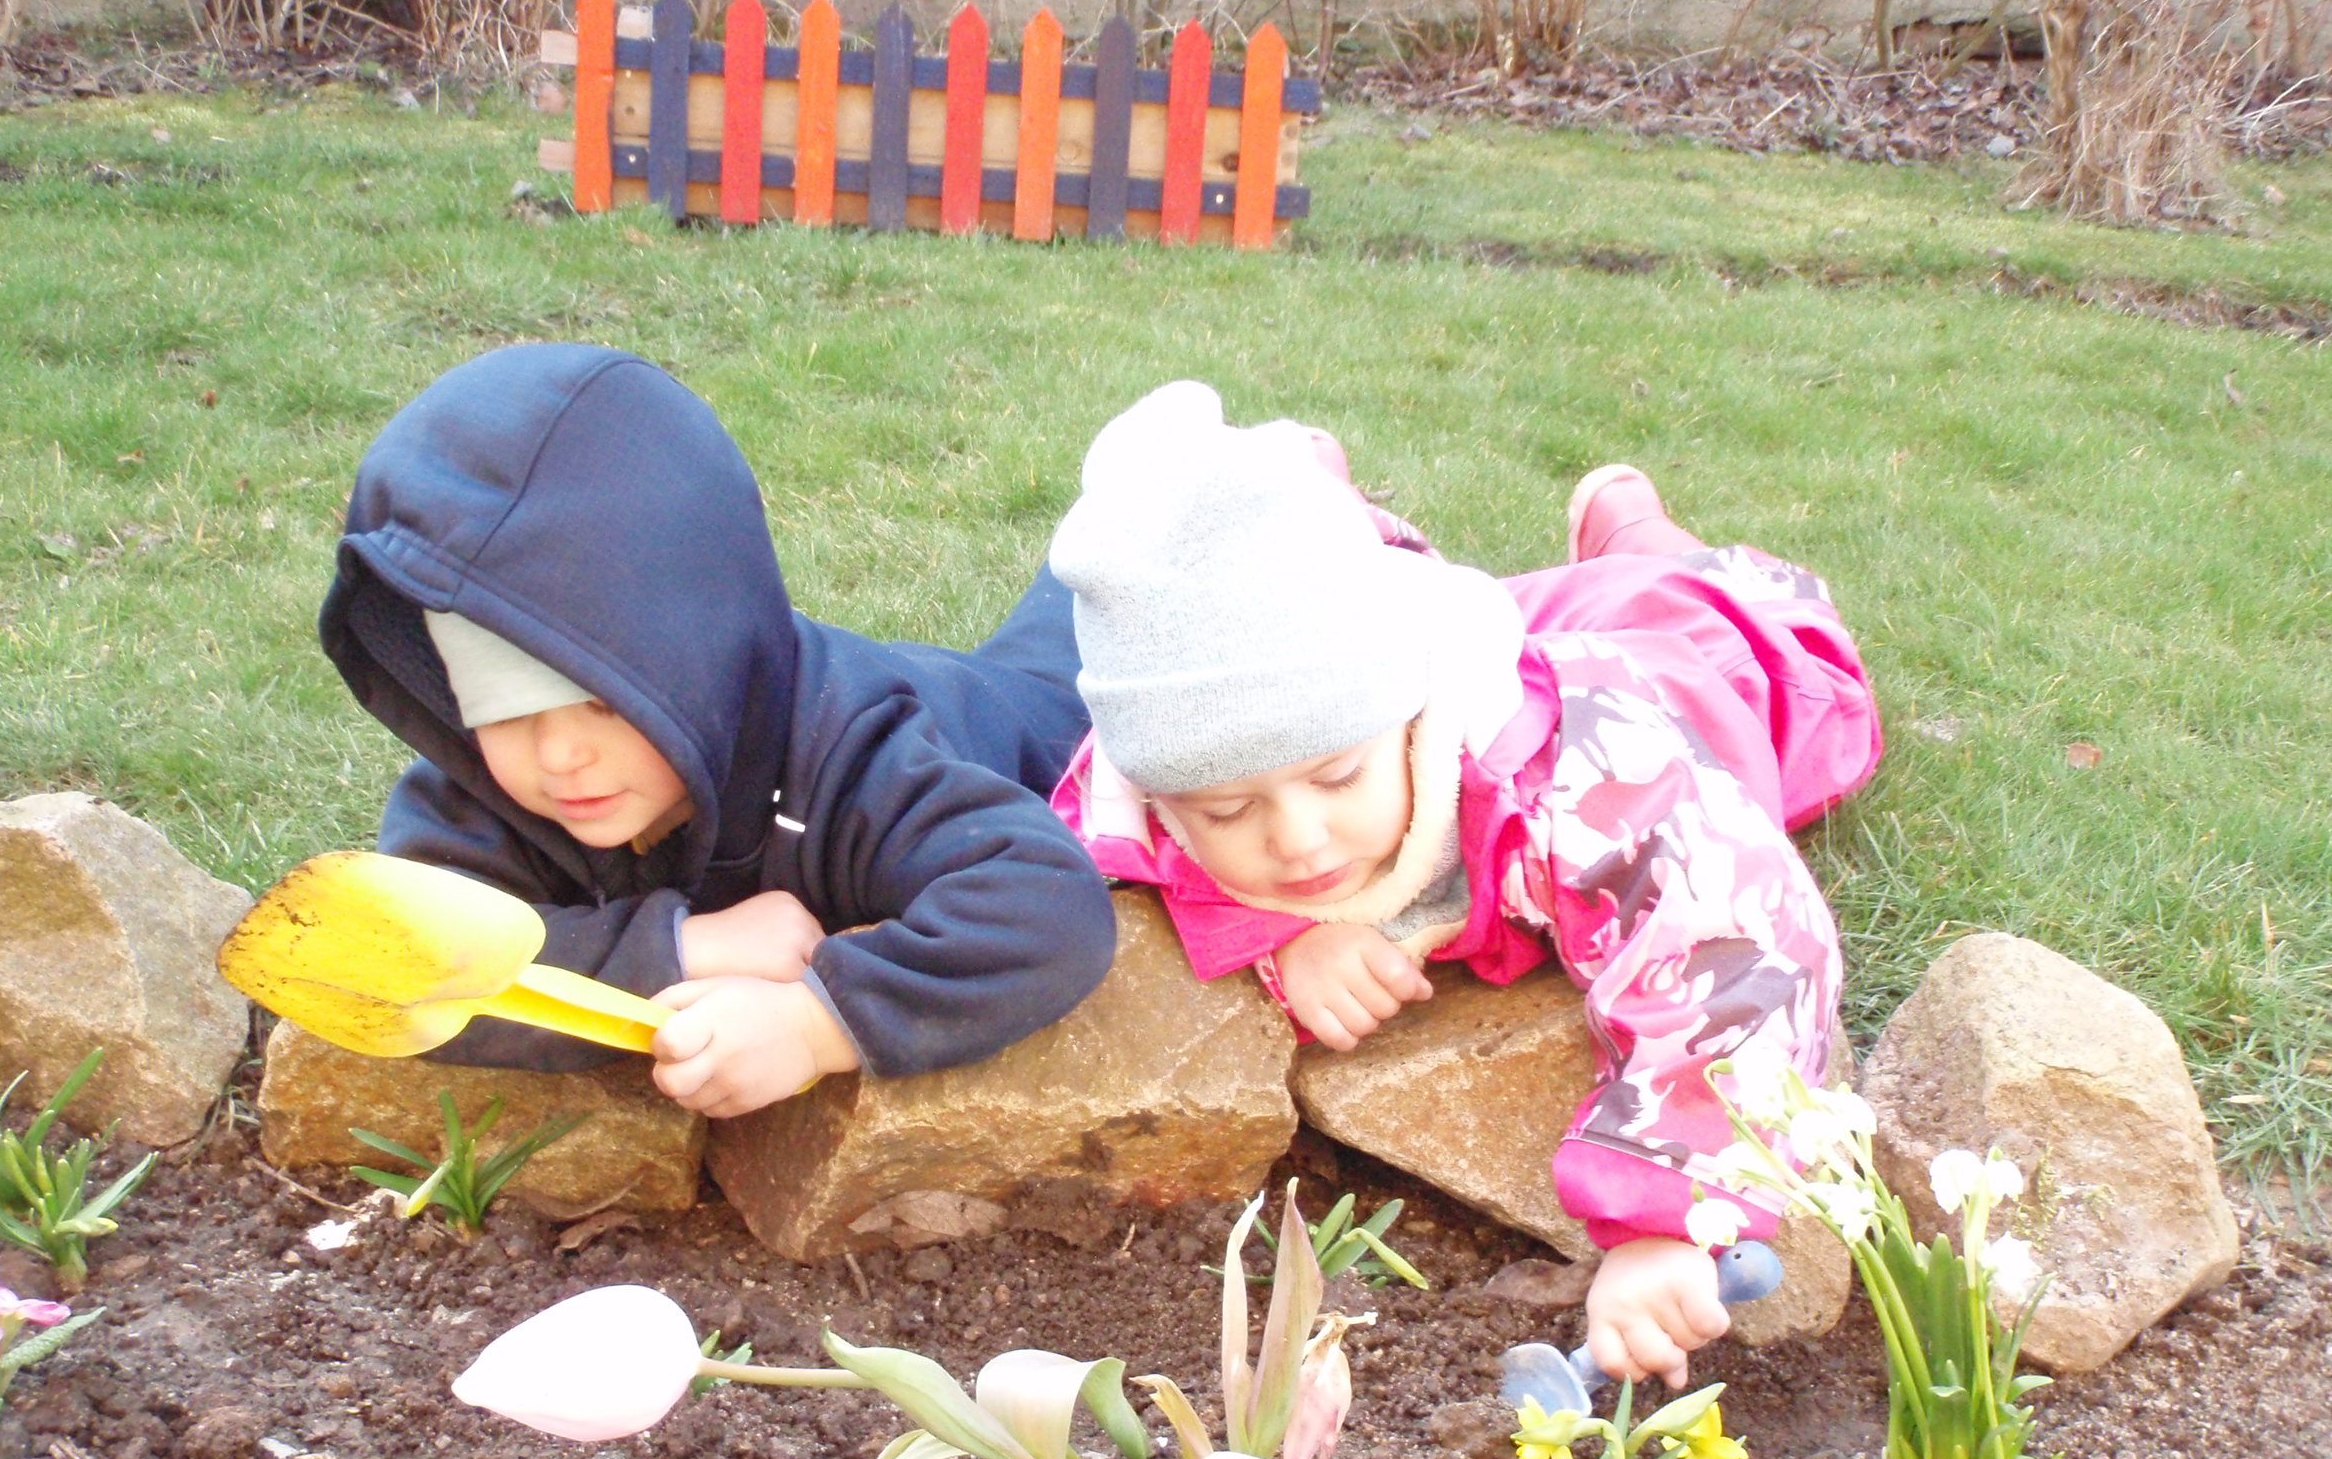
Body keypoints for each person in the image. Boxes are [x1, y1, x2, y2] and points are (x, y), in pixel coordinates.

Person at [1048, 382, 1882, 1389]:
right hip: (1496, 619)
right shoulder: (1173, 745)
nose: (1298, 840)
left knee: (1774, 646)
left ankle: (1635, 527)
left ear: (1411, 720)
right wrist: (1273, 935)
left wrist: (1670, 1220)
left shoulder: (1593, 780)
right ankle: (1317, 504)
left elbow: (1742, 946)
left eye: (1337, 777)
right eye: (1227, 814)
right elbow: (1108, 826)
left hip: (1692, 661)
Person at [319, 343, 1117, 1118]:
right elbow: (394, 962)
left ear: (707, 655)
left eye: (606, 701)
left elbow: (1047, 908)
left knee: (1083, 642)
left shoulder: (859, 755)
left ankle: (1130, 498)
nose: (559, 755)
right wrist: (678, 949)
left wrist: (818, 1023)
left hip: (1011, 713)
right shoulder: (485, 787)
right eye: (505, 710)